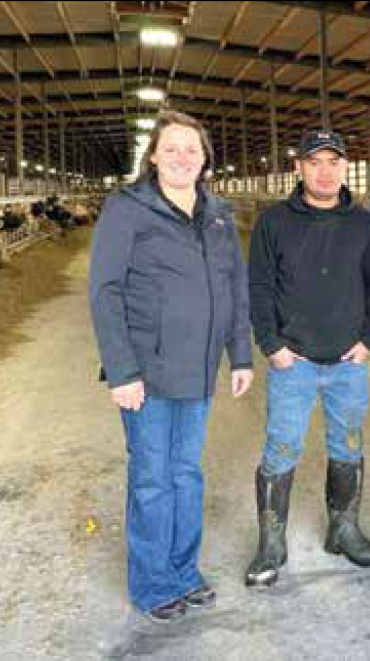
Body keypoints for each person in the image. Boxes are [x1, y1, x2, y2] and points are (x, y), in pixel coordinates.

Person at [89, 110, 253, 623]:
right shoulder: (127, 209)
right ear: (154, 156)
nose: (183, 157)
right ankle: (152, 583)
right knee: (153, 479)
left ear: (205, 160)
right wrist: (121, 371)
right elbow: (105, 291)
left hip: (199, 370)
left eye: (193, 149)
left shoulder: (220, 214)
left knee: (186, 475)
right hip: (148, 375)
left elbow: (234, 288)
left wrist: (240, 355)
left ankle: (184, 571)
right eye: (173, 148)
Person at [245, 130, 370, 587]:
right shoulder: (274, 222)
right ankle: (271, 541)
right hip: (295, 361)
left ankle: (344, 530)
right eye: (315, 162)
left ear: (345, 167)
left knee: (347, 444)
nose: (325, 170)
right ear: (299, 168)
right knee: (282, 445)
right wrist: (271, 345)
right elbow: (260, 287)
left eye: (333, 161)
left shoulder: (364, 224)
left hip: (350, 363)